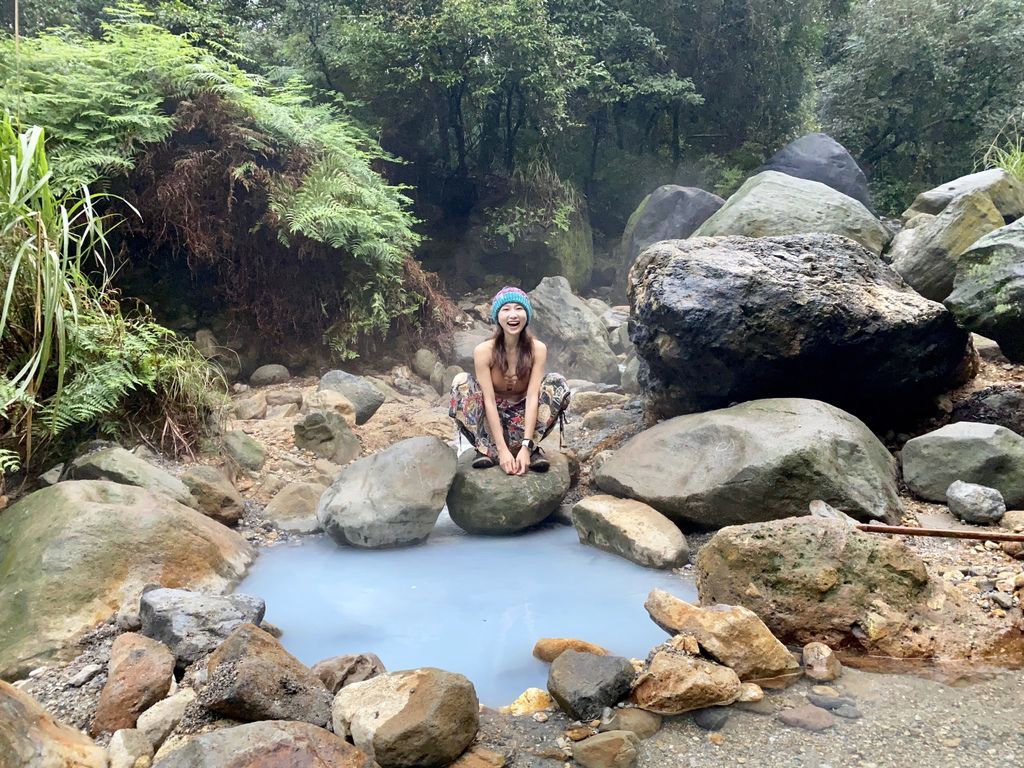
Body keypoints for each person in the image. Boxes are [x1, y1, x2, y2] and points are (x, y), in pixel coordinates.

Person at [449, 286, 570, 475]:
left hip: (522, 422)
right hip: (491, 424)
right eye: (506, 309)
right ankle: (486, 450)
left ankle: (531, 449)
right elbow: (487, 400)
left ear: (527, 315)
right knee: (461, 381)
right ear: (497, 316)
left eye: (518, 308)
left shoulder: (537, 349)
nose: (513, 315)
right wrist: (502, 451)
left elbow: (532, 397)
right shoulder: (484, 351)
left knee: (557, 382)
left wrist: (526, 445)